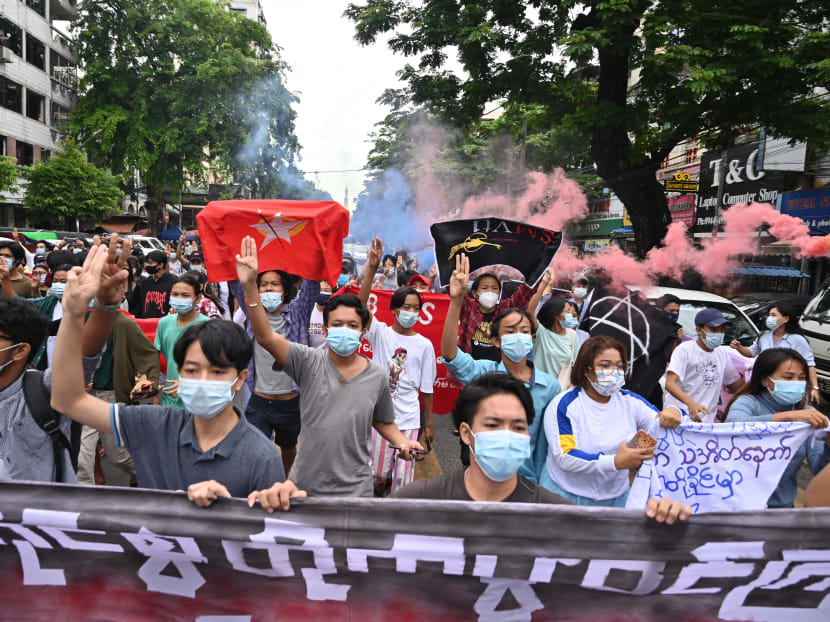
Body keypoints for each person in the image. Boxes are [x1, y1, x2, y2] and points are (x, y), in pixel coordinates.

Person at [50, 248, 285, 505]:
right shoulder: (155, 425)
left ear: (240, 378)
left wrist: (228, 510)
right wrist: (74, 314)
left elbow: (266, 534)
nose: (203, 380)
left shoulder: (262, 456)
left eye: (217, 371)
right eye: (192, 370)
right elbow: (67, 399)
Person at [235, 236, 423, 502]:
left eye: (352, 325)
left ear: (363, 330)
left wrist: (401, 441)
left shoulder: (378, 374)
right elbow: (265, 337)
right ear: (324, 329)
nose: (344, 330)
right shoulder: (307, 361)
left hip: (356, 488)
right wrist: (249, 287)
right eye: (336, 325)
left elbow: (382, 420)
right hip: (304, 485)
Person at [0, 236, 128, 482]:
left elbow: (84, 356)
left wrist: (104, 306)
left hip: (40, 517)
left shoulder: (44, 391)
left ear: (20, 350)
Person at [441, 253, 560, 482]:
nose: (519, 337)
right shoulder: (485, 375)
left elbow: (547, 447)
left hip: (527, 485)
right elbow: (450, 354)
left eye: (524, 332)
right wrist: (456, 301)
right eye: (510, 331)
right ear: (496, 340)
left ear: (533, 338)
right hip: (483, 482)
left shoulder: (550, 387)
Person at [542, 335, 683, 506]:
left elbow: (660, 425)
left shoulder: (631, 402)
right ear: (587, 370)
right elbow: (565, 455)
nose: (614, 372)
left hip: (615, 498)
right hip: (566, 496)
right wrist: (615, 462)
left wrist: (675, 411)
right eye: (605, 366)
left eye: (619, 366)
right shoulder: (564, 405)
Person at [360, 238, 437, 494]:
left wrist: (429, 424)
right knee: (378, 474)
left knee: (403, 480)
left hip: (410, 419)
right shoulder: (381, 333)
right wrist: (371, 269)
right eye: (406, 307)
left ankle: (393, 517)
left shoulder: (425, 345)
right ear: (394, 309)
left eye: (416, 308)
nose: (411, 312)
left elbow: (427, 389)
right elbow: (359, 309)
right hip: (381, 418)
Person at [77, 276, 161, 487]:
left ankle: (151, 475)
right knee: (82, 455)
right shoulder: (78, 320)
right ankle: (83, 503)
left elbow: (148, 355)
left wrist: (146, 381)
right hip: (83, 397)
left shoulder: (124, 323)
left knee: (118, 456)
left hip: (112, 397)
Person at [724, 348, 829, 508]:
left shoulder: (808, 415)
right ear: (766, 380)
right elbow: (733, 426)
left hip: (781, 512)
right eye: (788, 377)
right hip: (738, 507)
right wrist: (789, 417)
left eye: (801, 378)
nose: (796, 383)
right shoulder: (748, 403)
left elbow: (818, 470)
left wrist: (828, 445)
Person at [239, 266, 319, 474]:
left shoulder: (299, 312)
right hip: (259, 401)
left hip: (290, 402)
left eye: (274, 284)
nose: (268, 289)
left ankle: (285, 478)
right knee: (256, 449)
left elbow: (311, 285)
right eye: (263, 285)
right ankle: (260, 485)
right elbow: (238, 285)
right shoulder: (252, 313)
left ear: (285, 290)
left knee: (289, 447)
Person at [664, 308, 745, 422]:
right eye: (713, 329)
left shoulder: (723, 354)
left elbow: (733, 386)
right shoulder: (685, 350)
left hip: (706, 423)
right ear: (699, 330)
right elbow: (670, 383)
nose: (719, 334)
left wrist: (754, 374)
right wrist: (691, 404)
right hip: (679, 418)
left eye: (722, 330)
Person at [731, 301, 820, 404]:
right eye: (769, 315)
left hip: (786, 387)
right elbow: (751, 352)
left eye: (773, 315)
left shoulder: (798, 340)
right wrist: (739, 347)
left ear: (786, 319)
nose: (769, 318)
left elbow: (810, 365)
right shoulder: (764, 336)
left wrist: (815, 387)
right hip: (764, 385)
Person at [455, 254, 540, 362]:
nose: (490, 292)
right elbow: (454, 291)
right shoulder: (468, 308)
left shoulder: (506, 309)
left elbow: (526, 292)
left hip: (499, 372)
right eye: (485, 288)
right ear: (475, 293)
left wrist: (539, 268)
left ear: (499, 292)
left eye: (494, 288)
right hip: (470, 370)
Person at [146, 273, 210, 409]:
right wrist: (151, 386)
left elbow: (214, 365)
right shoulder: (164, 323)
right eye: (175, 294)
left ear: (197, 299)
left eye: (185, 295)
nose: (179, 298)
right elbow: (154, 356)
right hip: (170, 398)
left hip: (197, 400)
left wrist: (190, 384)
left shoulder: (207, 326)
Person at [533, 297, 582, 387]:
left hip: (561, 388)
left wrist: (572, 383)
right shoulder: (541, 331)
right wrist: (542, 285)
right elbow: (530, 311)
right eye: (568, 312)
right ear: (556, 315)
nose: (570, 315)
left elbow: (574, 364)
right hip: (539, 385)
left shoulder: (572, 335)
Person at [128, 249, 177, 318]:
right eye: (147, 263)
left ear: (160, 265)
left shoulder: (173, 282)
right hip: (145, 323)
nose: (147, 266)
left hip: (162, 323)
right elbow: (139, 303)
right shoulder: (146, 282)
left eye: (150, 263)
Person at [308, 280, 332, 349]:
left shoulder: (334, 312)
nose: (323, 293)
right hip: (311, 354)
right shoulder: (309, 310)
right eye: (320, 290)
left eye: (326, 290)